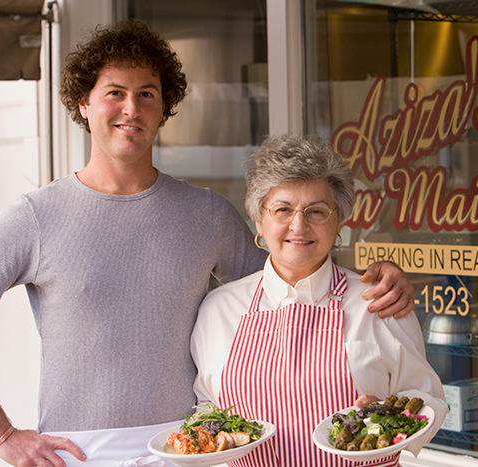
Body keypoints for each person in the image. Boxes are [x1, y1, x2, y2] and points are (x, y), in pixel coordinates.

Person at [0, 20, 416, 467]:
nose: (131, 108)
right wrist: (2, 434)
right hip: (75, 452)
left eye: (147, 94)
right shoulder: (34, 217)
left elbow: (288, 283)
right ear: (83, 104)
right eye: (114, 92)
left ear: (164, 108)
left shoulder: (208, 214)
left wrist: (375, 279)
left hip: (187, 450)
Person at [191, 133, 448, 467]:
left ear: (338, 221)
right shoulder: (219, 310)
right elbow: (207, 408)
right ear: (258, 220)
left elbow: (426, 398)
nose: (298, 225)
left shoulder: (378, 303)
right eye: (282, 209)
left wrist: (389, 416)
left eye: (316, 211)